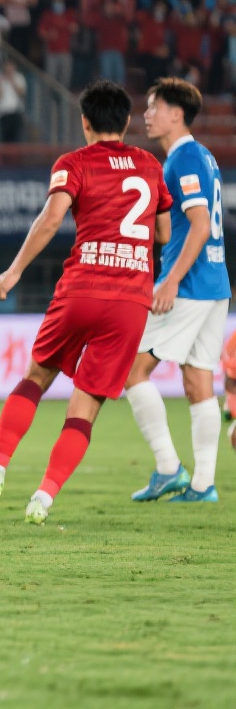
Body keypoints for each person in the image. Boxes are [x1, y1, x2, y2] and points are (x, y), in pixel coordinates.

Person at [0, 80, 172, 525]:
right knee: (86, 407)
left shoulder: (74, 163)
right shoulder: (151, 164)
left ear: (85, 122)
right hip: (131, 300)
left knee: (36, 377)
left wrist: (14, 271)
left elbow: (51, 217)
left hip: (82, 289)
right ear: (127, 122)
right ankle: (44, 497)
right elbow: (164, 233)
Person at [124, 78, 227, 504]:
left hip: (188, 286)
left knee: (132, 371)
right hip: (215, 285)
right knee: (198, 381)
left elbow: (200, 226)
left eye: (154, 107)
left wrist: (170, 280)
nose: (147, 115)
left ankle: (168, 468)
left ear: (176, 114)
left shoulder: (184, 158)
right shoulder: (201, 156)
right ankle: (203, 485)